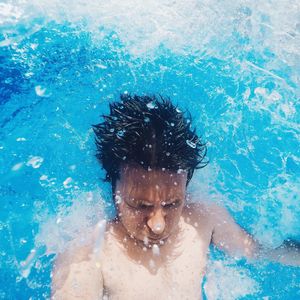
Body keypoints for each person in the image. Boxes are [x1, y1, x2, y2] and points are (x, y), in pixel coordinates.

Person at [52, 95, 299, 300]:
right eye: (140, 205)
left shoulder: (203, 219)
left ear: (186, 185)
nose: (158, 224)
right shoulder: (86, 254)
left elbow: (257, 250)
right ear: (113, 187)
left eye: (172, 203)